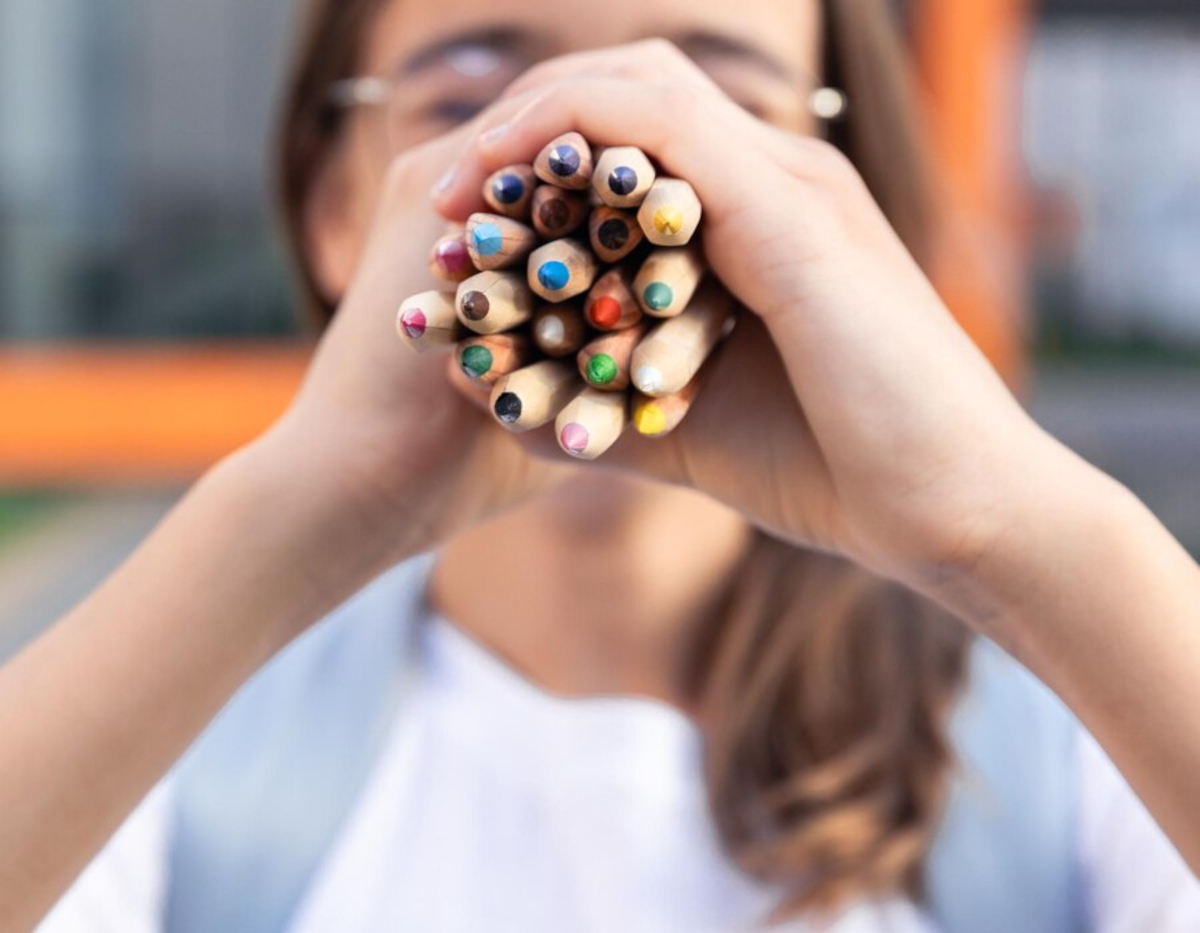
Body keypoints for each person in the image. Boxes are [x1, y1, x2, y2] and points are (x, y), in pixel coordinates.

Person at [2, 0, 1199, 930]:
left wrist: (1014, 533)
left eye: (723, 104)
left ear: (851, 199)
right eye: (469, 91)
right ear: (331, 207)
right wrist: (293, 516)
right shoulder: (161, 760)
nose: (594, 158)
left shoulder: (1070, 753)